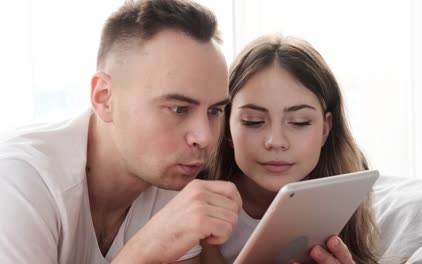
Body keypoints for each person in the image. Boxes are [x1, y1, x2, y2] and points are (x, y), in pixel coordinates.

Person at [0, 0, 242, 263]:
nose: (204, 138)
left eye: (215, 111)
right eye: (179, 109)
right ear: (104, 97)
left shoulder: (173, 179)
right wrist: (151, 245)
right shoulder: (20, 182)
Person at [205, 34, 381, 263]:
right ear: (226, 127)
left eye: (299, 122)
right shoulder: (198, 202)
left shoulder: (344, 200)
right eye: (253, 121)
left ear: (325, 129)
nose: (276, 141)